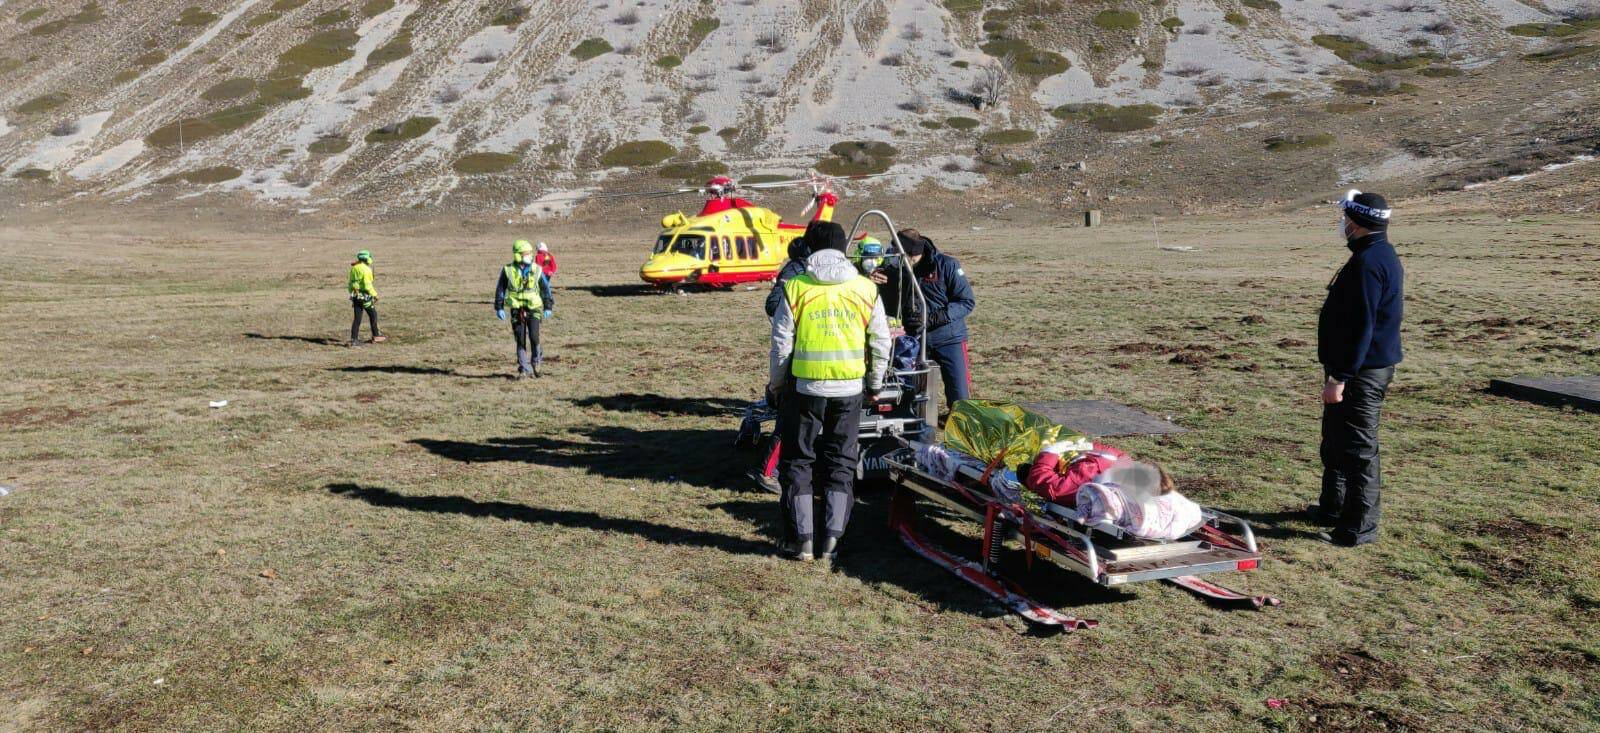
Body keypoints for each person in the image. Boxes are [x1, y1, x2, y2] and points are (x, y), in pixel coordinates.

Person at [769, 221, 891, 562]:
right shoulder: (865, 289)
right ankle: (832, 543)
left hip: (805, 389)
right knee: (841, 462)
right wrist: (876, 384)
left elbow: (781, 344)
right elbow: (881, 341)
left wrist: (776, 384)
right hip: (850, 389)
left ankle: (801, 541)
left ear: (810, 248)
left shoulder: (795, 287)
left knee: (798, 461)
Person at [1315, 190, 1404, 547]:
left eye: (1346, 218)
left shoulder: (1369, 263)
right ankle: (1333, 507)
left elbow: (1361, 328)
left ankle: (1358, 528)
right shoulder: (1375, 254)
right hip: (1354, 369)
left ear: (1357, 221)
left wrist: (1340, 377)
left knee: (1358, 450)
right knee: (1336, 443)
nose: (1342, 224)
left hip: (1360, 373)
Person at [871, 228, 976, 412]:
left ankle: (961, 430)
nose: (894, 257)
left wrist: (935, 317)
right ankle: (921, 431)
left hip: (949, 339)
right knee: (916, 393)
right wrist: (873, 282)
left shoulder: (947, 265)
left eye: (897, 253)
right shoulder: (895, 271)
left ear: (910, 253)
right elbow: (888, 306)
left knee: (960, 394)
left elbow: (966, 301)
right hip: (915, 341)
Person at [494, 240, 554, 379]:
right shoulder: (507, 270)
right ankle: (523, 369)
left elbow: (546, 289)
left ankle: (536, 363)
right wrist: (499, 307)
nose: (530, 255)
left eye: (530, 253)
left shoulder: (537, 269)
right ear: (518, 255)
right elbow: (500, 289)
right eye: (526, 253)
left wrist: (548, 306)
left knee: (534, 336)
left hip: (534, 308)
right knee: (520, 339)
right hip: (517, 309)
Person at [346, 249, 386, 346]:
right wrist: (375, 295)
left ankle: (354, 339)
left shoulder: (354, 268)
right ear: (366, 258)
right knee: (373, 314)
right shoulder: (366, 269)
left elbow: (351, 283)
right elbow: (368, 285)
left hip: (355, 296)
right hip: (365, 296)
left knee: (357, 318)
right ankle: (376, 335)